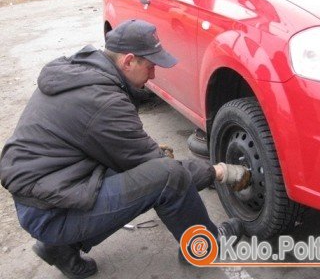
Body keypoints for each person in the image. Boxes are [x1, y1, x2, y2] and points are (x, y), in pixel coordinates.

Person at [0, 20, 251, 279]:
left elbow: (114, 143)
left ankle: (60, 249)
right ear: (128, 61)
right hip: (51, 210)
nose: (153, 75)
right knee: (168, 177)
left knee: (145, 171)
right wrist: (219, 171)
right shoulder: (104, 103)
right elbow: (161, 169)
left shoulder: (82, 72)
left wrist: (144, 150)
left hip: (47, 191)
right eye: (150, 66)